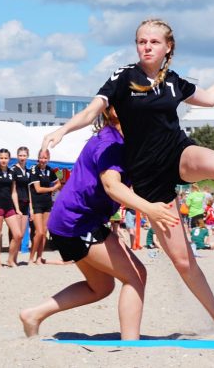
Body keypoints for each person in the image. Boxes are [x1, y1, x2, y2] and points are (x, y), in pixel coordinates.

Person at [42, 19, 214, 340]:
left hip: (176, 153)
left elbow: (209, 99)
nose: (147, 46)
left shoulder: (173, 80)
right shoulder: (124, 78)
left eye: (153, 42)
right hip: (148, 177)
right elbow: (91, 110)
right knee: (182, 261)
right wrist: (62, 130)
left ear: (168, 48)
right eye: (141, 41)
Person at [20, 106, 179, 339]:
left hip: (75, 220)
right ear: (114, 111)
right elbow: (112, 186)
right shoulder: (110, 143)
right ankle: (131, 344)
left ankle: (34, 314)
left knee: (101, 287)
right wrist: (150, 210)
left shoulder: (124, 141)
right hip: (76, 222)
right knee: (136, 276)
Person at [0, 149, 23, 268]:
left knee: (18, 235)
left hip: (9, 206)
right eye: (1, 158)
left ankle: (10, 260)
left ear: (9, 159)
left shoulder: (12, 172)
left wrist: (17, 208)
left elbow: (13, 192)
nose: (3, 160)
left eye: (6, 158)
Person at [28, 149, 61, 264]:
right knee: (39, 232)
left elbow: (59, 183)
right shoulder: (34, 169)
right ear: (38, 158)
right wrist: (51, 189)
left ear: (48, 159)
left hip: (47, 203)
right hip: (37, 203)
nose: (43, 160)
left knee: (44, 231)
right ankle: (31, 258)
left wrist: (54, 188)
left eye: (45, 158)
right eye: (41, 158)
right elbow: (38, 189)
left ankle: (39, 257)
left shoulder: (49, 169)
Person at [11, 146, 32, 263]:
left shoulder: (28, 171)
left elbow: (29, 190)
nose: (22, 158)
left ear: (27, 156)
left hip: (26, 204)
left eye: (24, 155)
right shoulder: (13, 169)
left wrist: (31, 208)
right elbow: (13, 190)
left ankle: (15, 259)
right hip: (16, 204)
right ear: (17, 156)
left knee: (22, 234)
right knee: (16, 234)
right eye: (20, 155)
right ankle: (11, 259)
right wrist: (17, 208)